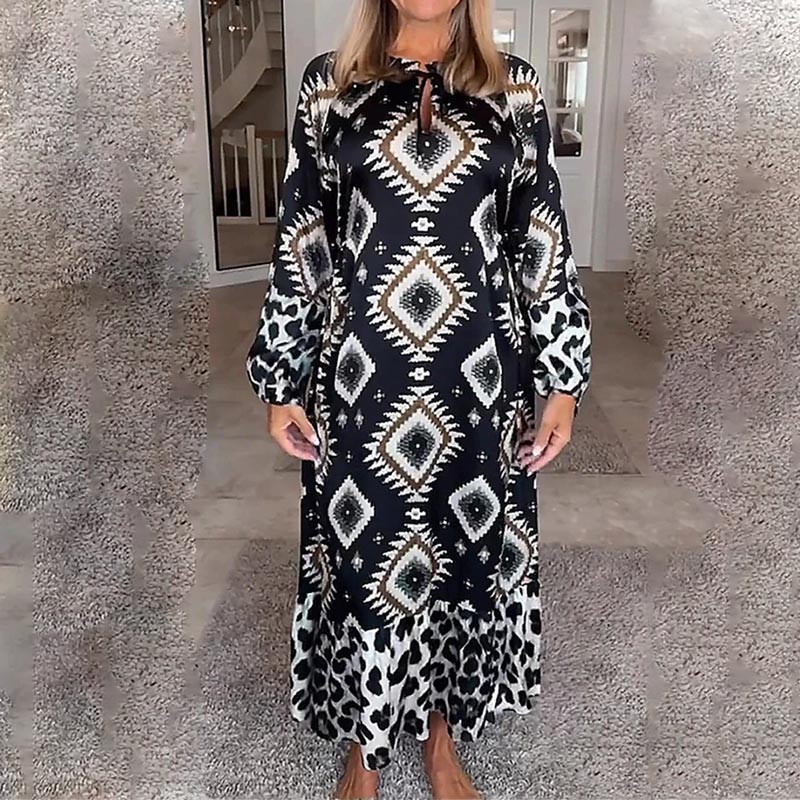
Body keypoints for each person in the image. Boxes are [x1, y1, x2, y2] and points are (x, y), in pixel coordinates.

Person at [244, 1, 592, 797]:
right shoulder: (330, 88)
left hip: (479, 379)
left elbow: (540, 241)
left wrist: (563, 378)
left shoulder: (516, 90)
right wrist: (281, 378)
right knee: (367, 559)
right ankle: (366, 752)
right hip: (364, 379)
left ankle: (440, 739)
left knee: (460, 555)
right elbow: (304, 241)